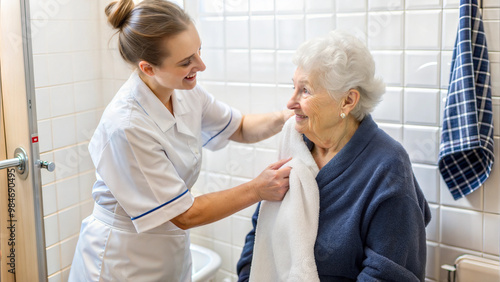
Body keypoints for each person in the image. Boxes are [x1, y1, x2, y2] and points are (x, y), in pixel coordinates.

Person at [69, 0, 292, 281]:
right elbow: (184, 214)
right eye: (186, 62)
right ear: (148, 68)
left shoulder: (184, 91)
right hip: (122, 259)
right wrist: (259, 189)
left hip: (168, 250)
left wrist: (289, 115)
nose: (201, 65)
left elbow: (241, 127)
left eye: (198, 51)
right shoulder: (126, 126)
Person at [236, 30, 431, 281]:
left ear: (347, 101)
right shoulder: (296, 145)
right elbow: (262, 228)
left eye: (305, 90)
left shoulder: (388, 166)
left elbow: (388, 274)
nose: (290, 102)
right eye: (293, 87)